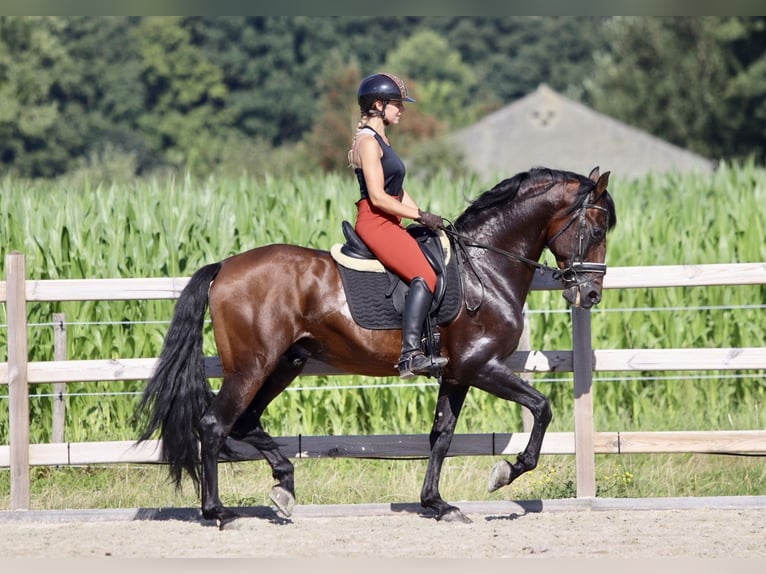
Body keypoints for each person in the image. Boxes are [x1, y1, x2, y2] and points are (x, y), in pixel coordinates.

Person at [347, 72, 448, 379]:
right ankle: (410, 354)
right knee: (424, 274)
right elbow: (378, 197)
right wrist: (417, 216)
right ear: (378, 105)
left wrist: (425, 214)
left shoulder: (382, 140)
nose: (401, 110)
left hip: (390, 219)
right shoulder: (367, 143)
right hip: (376, 221)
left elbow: (397, 190)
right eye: (397, 104)